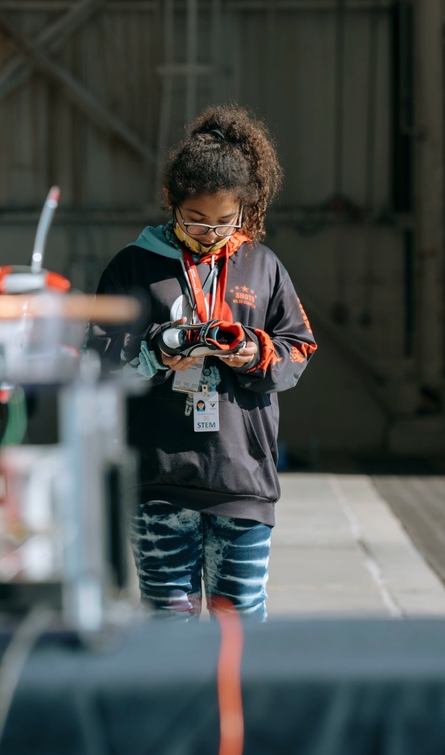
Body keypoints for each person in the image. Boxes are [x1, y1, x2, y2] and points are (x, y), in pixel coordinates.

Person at [89, 103, 316, 621]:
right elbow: (96, 360)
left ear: (245, 210)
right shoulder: (132, 266)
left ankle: (237, 708)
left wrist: (251, 351)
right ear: (172, 201)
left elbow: (296, 348)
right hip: (158, 478)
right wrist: (156, 350)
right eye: (195, 219)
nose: (210, 232)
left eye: (224, 221)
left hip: (241, 477)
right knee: (169, 625)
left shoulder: (262, 264)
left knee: (241, 624)